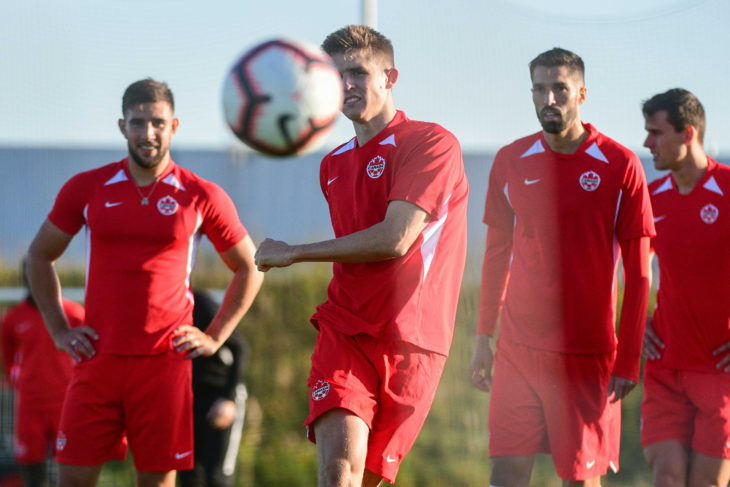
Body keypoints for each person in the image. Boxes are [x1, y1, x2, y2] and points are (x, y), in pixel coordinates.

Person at [254, 25, 468, 487]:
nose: (346, 85)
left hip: (414, 341)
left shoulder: (431, 143)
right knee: (339, 474)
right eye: (335, 76)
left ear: (390, 77)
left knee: (367, 481)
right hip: (345, 329)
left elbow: (396, 238)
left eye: (357, 73)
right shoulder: (331, 165)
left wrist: (294, 252)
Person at [26, 78, 263, 487]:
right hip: (97, 359)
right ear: (123, 127)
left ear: (174, 126)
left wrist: (215, 337)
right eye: (138, 123)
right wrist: (60, 330)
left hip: (163, 364)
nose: (148, 133)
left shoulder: (200, 194)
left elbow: (250, 266)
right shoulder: (88, 187)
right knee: (71, 479)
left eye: (157, 122)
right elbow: (38, 256)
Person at [469, 47, 655, 487]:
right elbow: (496, 256)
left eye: (559, 89)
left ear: (582, 94)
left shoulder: (620, 165)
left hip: (586, 356)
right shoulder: (510, 160)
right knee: (505, 475)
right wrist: (483, 338)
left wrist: (628, 358)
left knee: (579, 479)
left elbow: (640, 273)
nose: (548, 99)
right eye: (539, 89)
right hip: (518, 350)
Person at [640, 88, 730, 487]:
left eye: (656, 133)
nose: (647, 143)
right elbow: (630, 264)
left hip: (720, 369)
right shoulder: (650, 197)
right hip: (665, 362)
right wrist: (634, 321)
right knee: (667, 477)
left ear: (687, 133)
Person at [0, 259, 84, 487]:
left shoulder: (73, 313)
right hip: (30, 403)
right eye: (31, 274)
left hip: (65, 401)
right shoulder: (13, 318)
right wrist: (17, 380)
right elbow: (7, 357)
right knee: (31, 466)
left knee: (68, 464)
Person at [178, 289, 249, 487]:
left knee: (216, 476)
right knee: (189, 475)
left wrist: (229, 399)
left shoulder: (200, 304)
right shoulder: (159, 307)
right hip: (187, 400)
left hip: (219, 395)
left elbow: (240, 347)